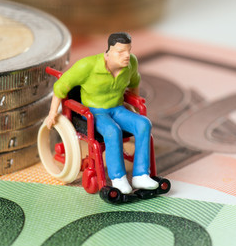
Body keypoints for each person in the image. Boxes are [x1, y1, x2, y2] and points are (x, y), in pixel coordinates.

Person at [44, 32, 157, 194]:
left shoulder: (131, 63)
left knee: (144, 124)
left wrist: (135, 102)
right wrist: (52, 112)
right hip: (94, 112)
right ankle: (118, 178)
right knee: (112, 130)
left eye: (128, 51)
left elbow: (134, 83)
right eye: (120, 52)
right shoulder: (87, 66)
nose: (126, 56)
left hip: (117, 108)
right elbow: (60, 87)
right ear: (109, 52)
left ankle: (141, 175)